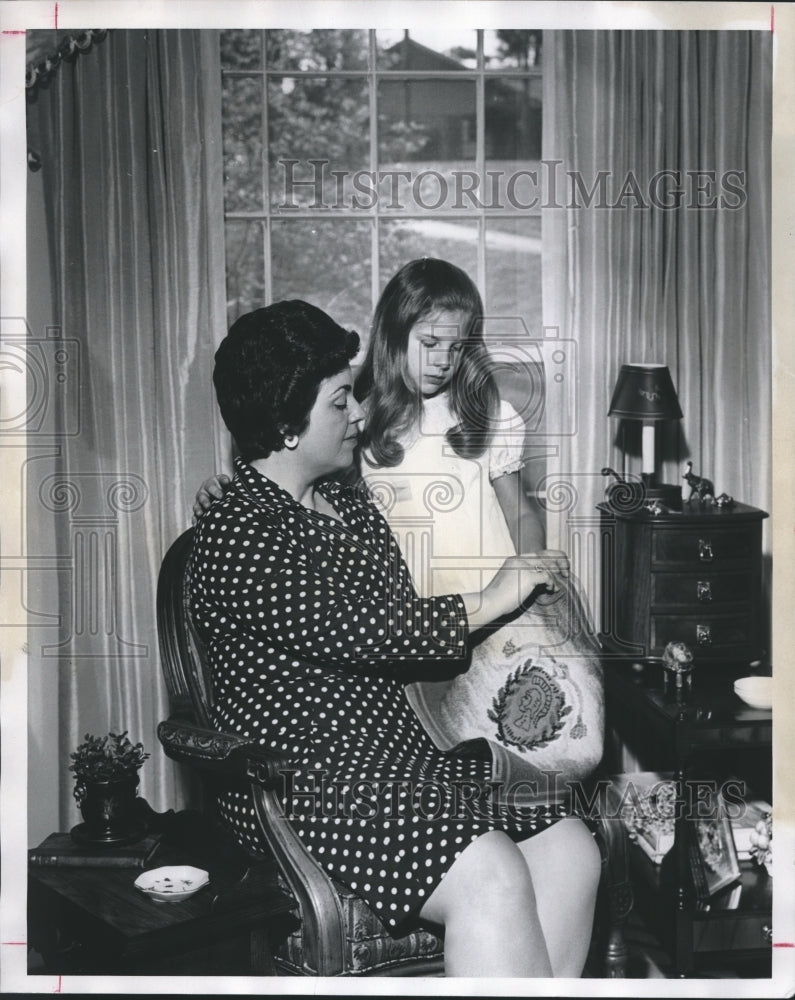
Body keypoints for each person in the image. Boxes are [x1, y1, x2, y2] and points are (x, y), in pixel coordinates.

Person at [191, 300, 601, 978]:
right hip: (303, 775)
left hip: (398, 755)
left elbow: (401, 624)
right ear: (287, 427)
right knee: (490, 873)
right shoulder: (239, 530)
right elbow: (364, 630)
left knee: (571, 851)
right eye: (337, 401)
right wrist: (495, 593)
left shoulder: (347, 499)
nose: (357, 413)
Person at [195, 259, 603, 780]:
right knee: (447, 737)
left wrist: (525, 573)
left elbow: (519, 506)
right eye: (430, 343)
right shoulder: (354, 419)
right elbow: (290, 485)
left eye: (457, 347)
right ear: (393, 334)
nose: (444, 360)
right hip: (412, 622)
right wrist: (222, 484)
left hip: (491, 603)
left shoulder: (488, 415)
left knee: (536, 744)